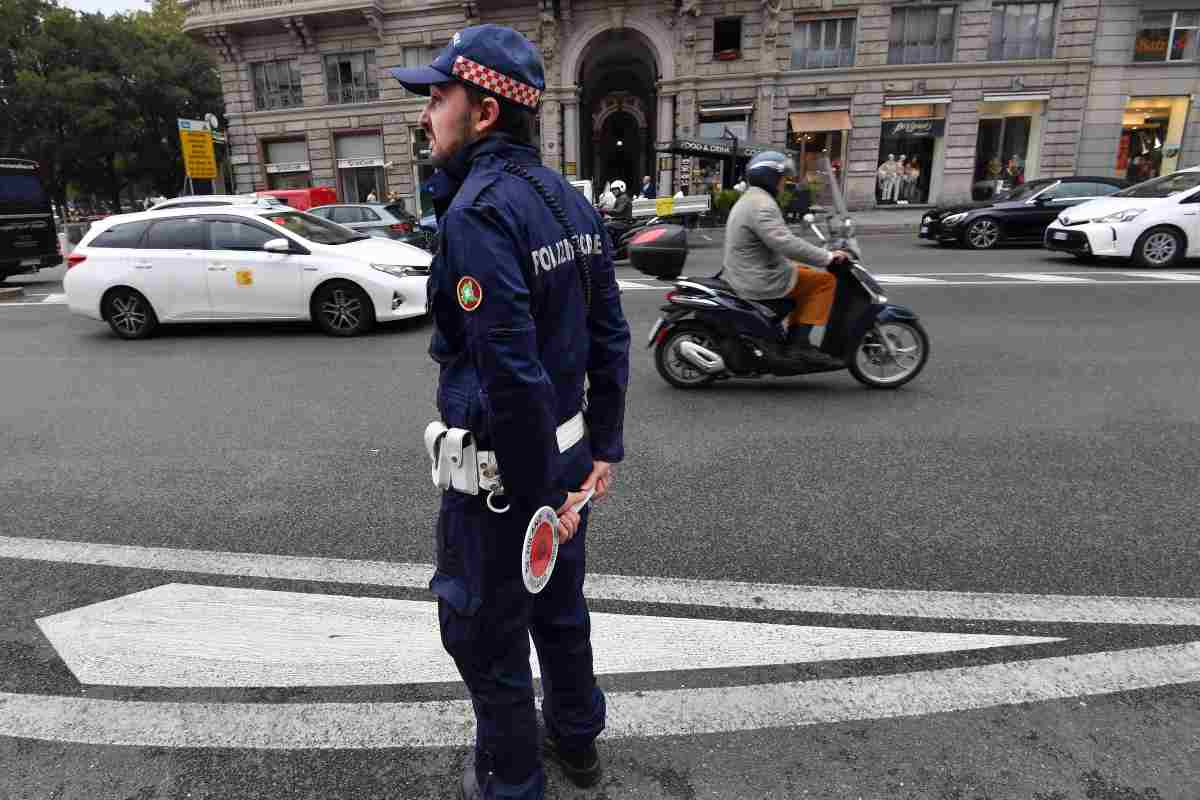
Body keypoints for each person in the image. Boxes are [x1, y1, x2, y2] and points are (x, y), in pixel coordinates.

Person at [389, 24, 631, 800]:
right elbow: (610, 336)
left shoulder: (479, 213)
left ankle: (512, 780)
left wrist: (535, 503)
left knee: (483, 635)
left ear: (484, 111)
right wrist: (603, 449)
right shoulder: (569, 201)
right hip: (564, 462)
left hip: (506, 482)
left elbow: (510, 372)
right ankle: (578, 739)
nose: (426, 115)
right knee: (559, 610)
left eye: (437, 97)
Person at [722, 150, 849, 365]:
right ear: (770, 177)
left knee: (806, 274)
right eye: (782, 178)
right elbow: (785, 243)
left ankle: (794, 338)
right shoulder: (762, 205)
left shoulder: (753, 198)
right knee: (825, 282)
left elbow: (780, 240)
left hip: (750, 270)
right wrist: (827, 257)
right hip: (757, 279)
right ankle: (799, 346)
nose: (784, 183)